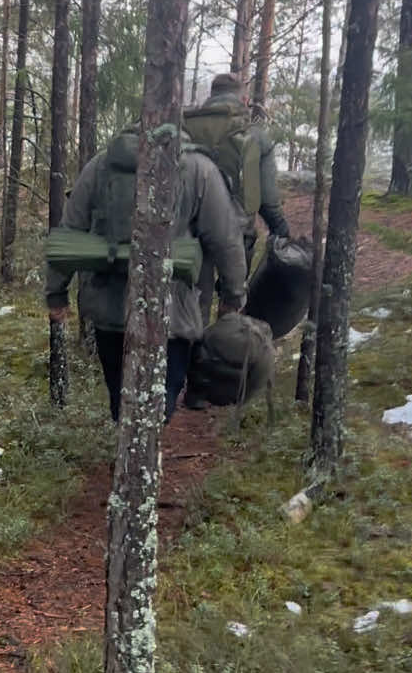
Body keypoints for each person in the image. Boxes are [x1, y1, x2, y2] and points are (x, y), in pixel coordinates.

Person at [46, 126, 247, 423]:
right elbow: (226, 239)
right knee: (162, 395)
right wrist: (233, 294)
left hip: (109, 309)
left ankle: (129, 450)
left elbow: (69, 231)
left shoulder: (101, 165)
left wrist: (55, 292)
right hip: (171, 314)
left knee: (120, 394)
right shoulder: (199, 169)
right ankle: (144, 457)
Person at [186, 71, 290, 318]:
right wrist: (280, 228)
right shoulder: (254, 135)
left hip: (186, 228)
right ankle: (224, 342)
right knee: (232, 298)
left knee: (191, 300)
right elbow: (265, 197)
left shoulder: (185, 126)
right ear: (243, 100)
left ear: (212, 96)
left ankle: (190, 346)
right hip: (235, 231)